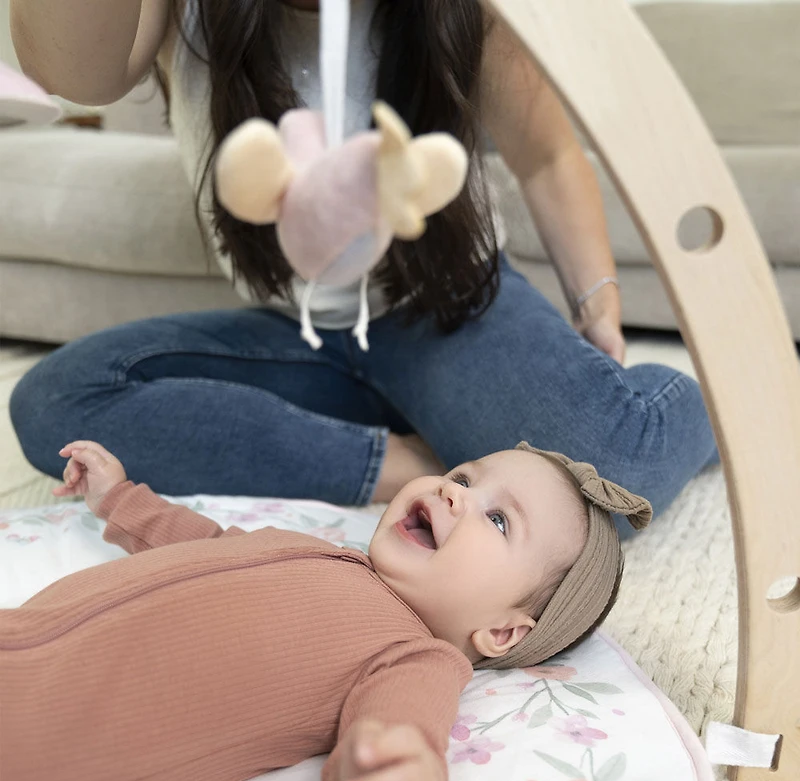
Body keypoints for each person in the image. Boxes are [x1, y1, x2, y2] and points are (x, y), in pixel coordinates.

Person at [8, 0, 717, 518]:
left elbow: (548, 155)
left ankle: (686, 404)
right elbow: (70, 71)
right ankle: (407, 454)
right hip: (304, 333)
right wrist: (387, 467)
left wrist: (598, 309)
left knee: (618, 475)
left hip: (448, 309)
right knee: (58, 405)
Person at [0, 439, 651, 781]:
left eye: (498, 519)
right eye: (464, 475)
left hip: (45, 738)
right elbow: (202, 541)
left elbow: (399, 725)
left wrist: (404, 769)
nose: (454, 492)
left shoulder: (416, 655)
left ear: (504, 631)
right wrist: (117, 496)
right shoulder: (319, 550)